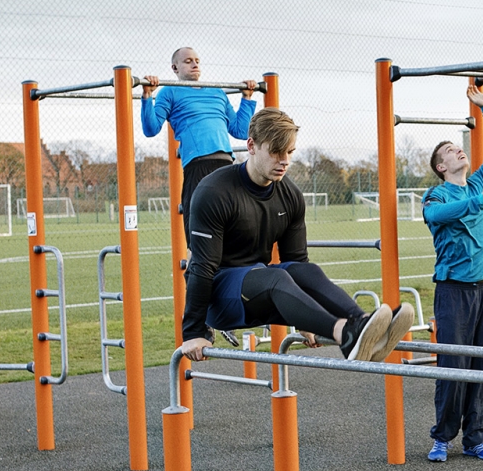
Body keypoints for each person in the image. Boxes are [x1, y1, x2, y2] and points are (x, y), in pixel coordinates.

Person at [177, 107, 416, 365]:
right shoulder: (215, 190)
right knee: (275, 275)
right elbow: (202, 268)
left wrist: (309, 317)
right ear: (252, 146)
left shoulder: (289, 194)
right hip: (218, 296)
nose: (284, 161)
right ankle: (344, 334)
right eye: (276, 152)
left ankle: (361, 325)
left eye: (290, 152)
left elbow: (298, 264)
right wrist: (193, 332)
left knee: (306, 270)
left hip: (259, 290)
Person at [421, 85, 483, 463]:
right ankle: (442, 437)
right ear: (442, 167)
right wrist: (478, 201)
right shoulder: (437, 196)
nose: (459, 151)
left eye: (458, 149)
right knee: (452, 367)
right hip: (453, 291)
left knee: (481, 365)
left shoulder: (477, 180)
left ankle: (475, 438)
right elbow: (436, 218)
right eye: (449, 152)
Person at [141, 47, 258, 235]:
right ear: (175, 68)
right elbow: (151, 128)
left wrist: (247, 98)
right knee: (197, 228)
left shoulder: (217, 92)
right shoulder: (169, 91)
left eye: (197, 60)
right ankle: (196, 263)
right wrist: (147, 96)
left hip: (227, 164)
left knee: (234, 224)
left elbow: (241, 130)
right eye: (188, 61)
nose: (195, 64)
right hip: (198, 164)